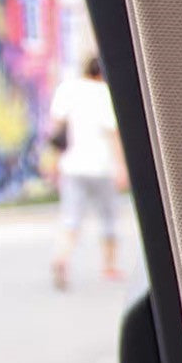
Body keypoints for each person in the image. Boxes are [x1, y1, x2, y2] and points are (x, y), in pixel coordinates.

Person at [46, 55, 126, 289]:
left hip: (72, 165)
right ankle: (109, 265)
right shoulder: (105, 94)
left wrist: (53, 160)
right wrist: (121, 166)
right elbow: (113, 134)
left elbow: (57, 128)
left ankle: (61, 257)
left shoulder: (68, 89)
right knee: (108, 218)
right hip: (102, 166)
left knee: (71, 217)